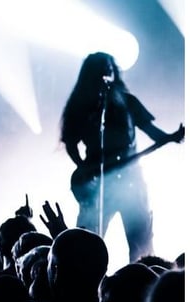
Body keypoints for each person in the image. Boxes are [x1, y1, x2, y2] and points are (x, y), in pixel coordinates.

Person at [59, 51, 184, 263]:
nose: (107, 74)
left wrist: (172, 137)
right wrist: (85, 170)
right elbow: (70, 143)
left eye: (110, 69)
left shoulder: (127, 103)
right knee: (89, 241)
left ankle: (142, 284)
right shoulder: (81, 106)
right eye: (102, 69)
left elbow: (151, 131)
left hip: (131, 183)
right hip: (98, 186)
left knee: (141, 243)